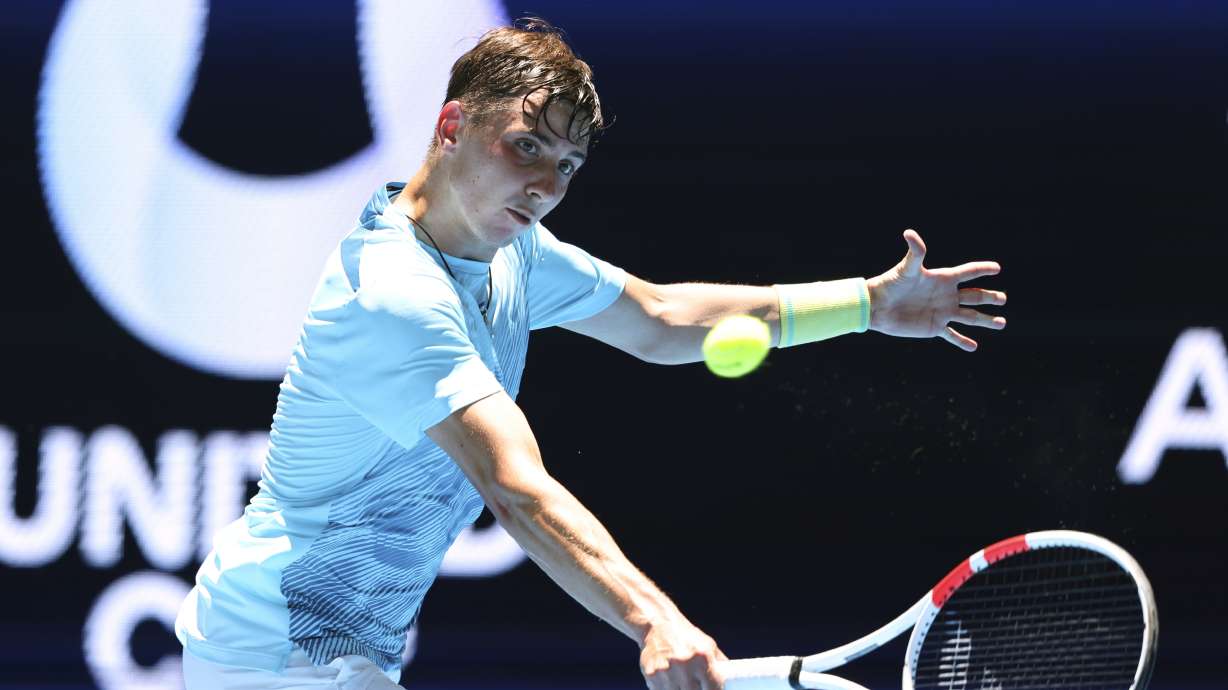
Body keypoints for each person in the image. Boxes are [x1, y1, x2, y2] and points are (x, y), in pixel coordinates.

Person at [175, 19, 1006, 690]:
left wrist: (862, 303)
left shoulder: (510, 251)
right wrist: (654, 620)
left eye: (566, 165)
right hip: (270, 654)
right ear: (452, 125)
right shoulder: (394, 295)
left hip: (341, 648)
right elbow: (516, 488)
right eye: (526, 146)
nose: (544, 185)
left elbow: (660, 316)